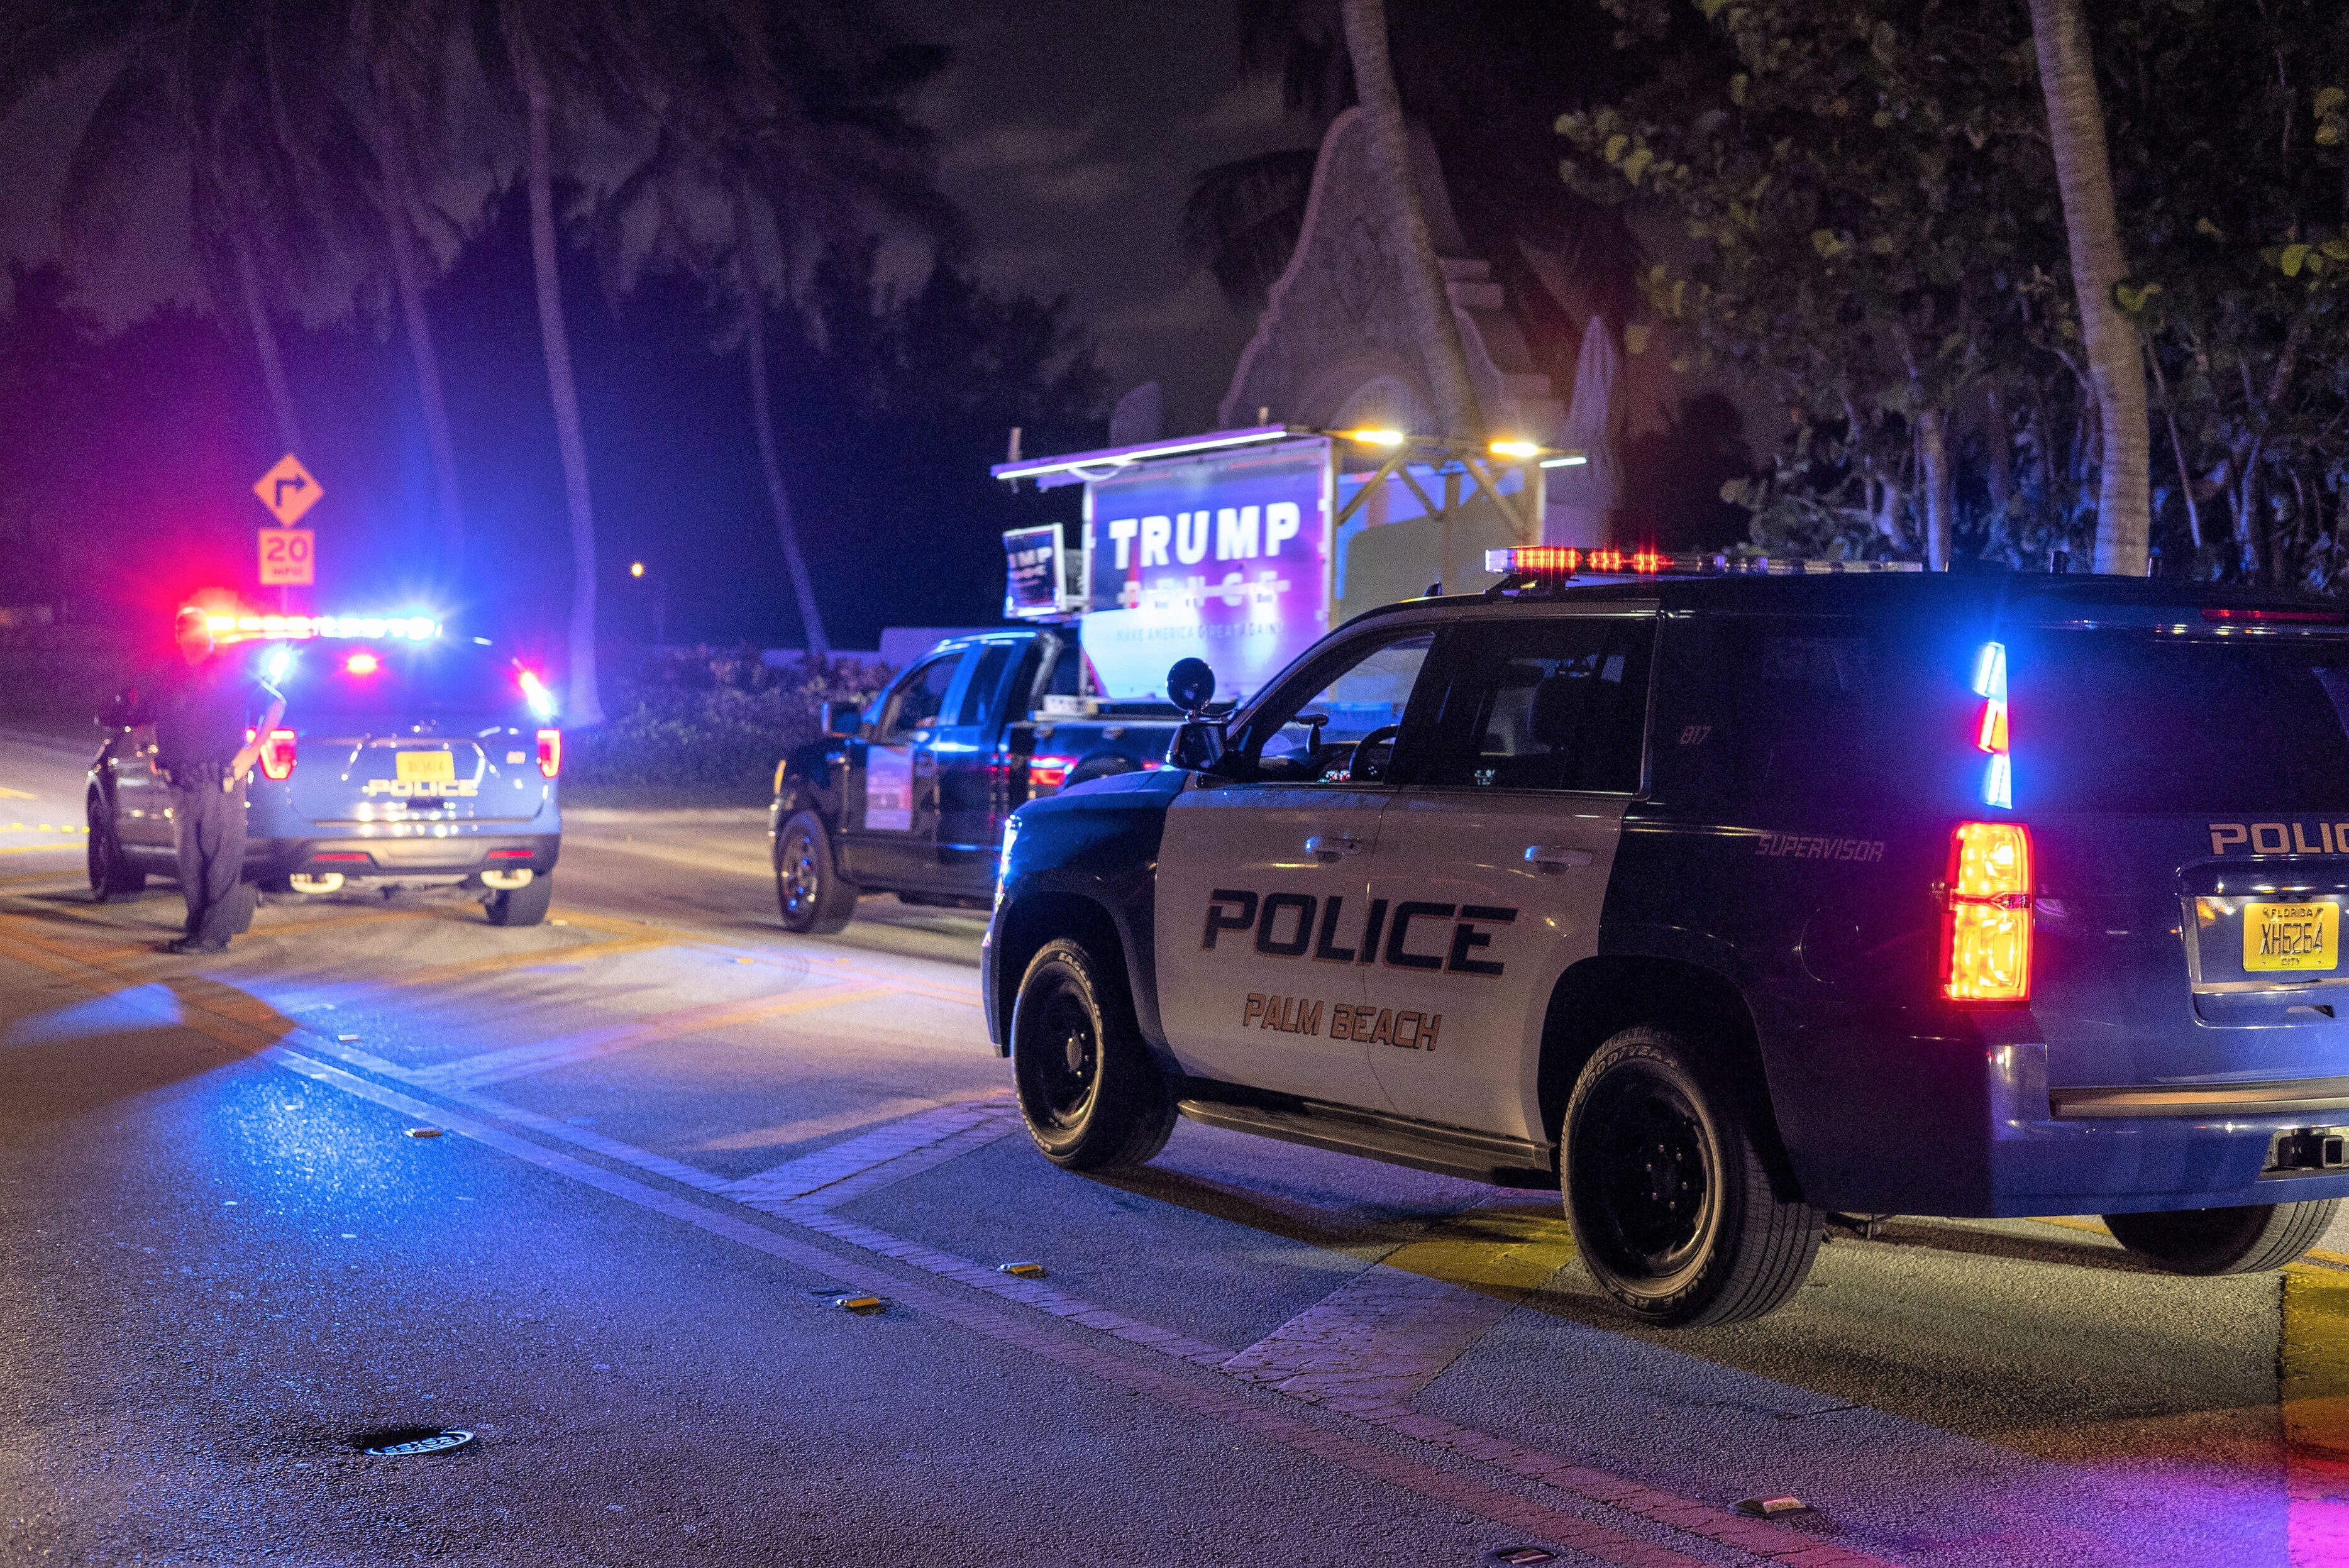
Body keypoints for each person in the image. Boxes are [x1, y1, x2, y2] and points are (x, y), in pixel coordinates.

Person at [119, 607, 285, 953]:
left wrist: (253, 751)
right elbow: (141, 717)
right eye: (185, 631)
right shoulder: (169, 676)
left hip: (219, 783)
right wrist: (150, 750)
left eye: (198, 632)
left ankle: (212, 936)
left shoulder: (230, 672)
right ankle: (197, 929)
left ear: (208, 635)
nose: (192, 638)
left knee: (221, 862)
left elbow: (276, 704)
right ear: (178, 636)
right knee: (190, 864)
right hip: (181, 785)